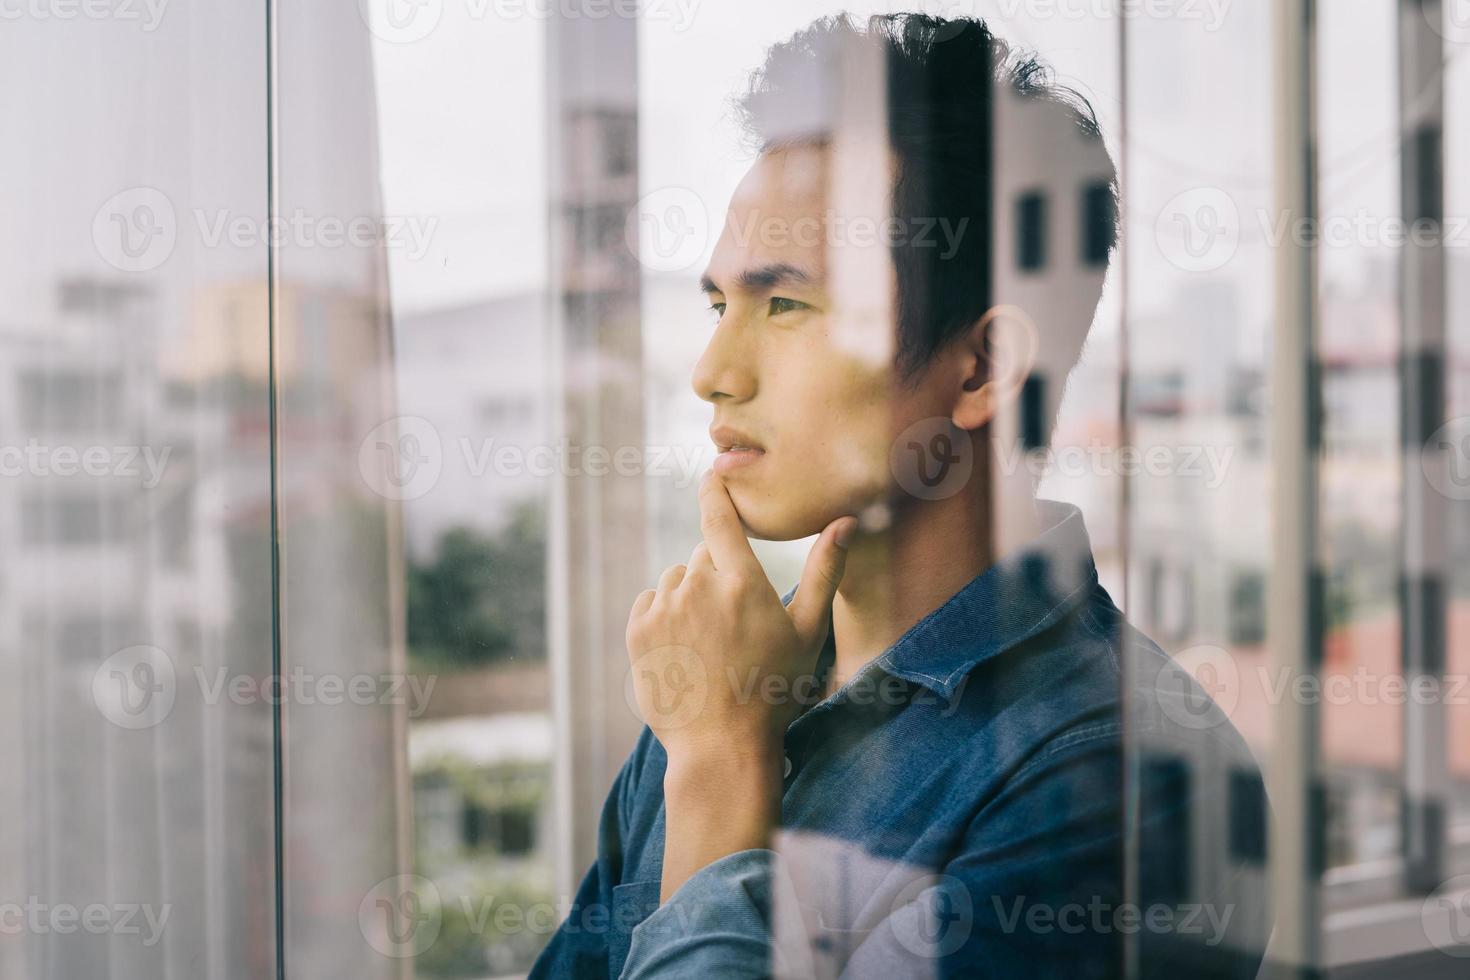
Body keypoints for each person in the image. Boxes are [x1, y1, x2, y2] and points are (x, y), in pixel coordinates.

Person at [531, 13, 1269, 978]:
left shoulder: (1126, 778)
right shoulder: (729, 689)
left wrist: (719, 778)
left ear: (982, 368)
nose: (712, 370)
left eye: (785, 304)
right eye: (720, 305)